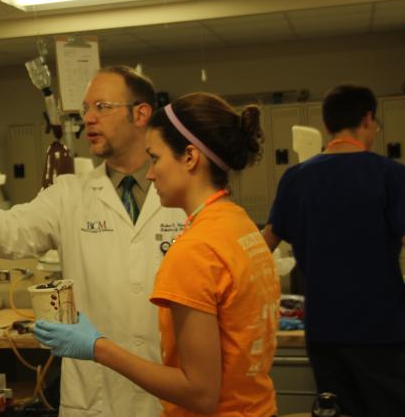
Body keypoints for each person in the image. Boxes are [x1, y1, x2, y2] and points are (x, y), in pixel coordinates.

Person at [0, 66, 187, 417]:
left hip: (170, 393)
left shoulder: (182, 193)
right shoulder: (70, 194)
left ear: (141, 113)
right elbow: (12, 232)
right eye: (85, 109)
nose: (89, 119)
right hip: (95, 397)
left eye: (101, 107)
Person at [32, 93, 281, 416]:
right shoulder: (239, 225)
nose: (149, 174)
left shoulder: (195, 250)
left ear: (190, 157)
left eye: (155, 158)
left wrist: (97, 347)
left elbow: (200, 392)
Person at [263, 85, 405, 417]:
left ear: (328, 126)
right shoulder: (390, 176)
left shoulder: (294, 178)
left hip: (324, 333)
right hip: (382, 332)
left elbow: (263, 245)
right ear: (368, 119)